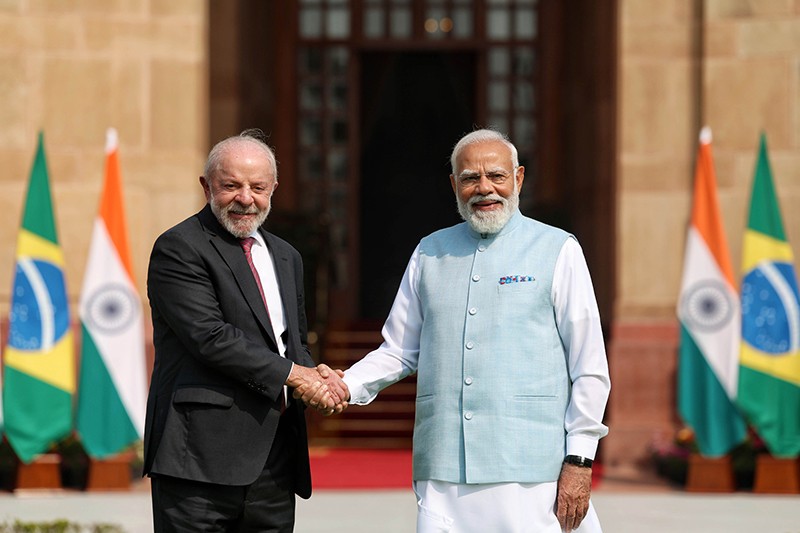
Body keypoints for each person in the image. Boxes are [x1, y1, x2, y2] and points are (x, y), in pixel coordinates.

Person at [342, 129, 611, 532]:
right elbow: (398, 349)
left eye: (496, 176)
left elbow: (589, 365)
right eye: (470, 178)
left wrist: (579, 459)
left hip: (532, 471)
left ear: (518, 178)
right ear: (454, 185)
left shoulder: (558, 249)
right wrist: (344, 385)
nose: (484, 188)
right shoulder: (429, 251)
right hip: (444, 466)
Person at [143, 129, 348, 532]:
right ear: (206, 186)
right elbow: (211, 337)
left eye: (257, 187)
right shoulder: (179, 247)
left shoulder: (286, 256)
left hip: (273, 461)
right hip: (197, 461)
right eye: (231, 185)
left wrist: (320, 384)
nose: (245, 198)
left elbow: (292, 345)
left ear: (273, 188)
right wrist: (298, 376)